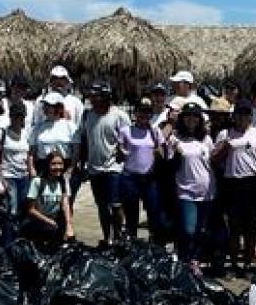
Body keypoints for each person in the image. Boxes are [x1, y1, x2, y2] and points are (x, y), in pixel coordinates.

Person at [162, 104, 217, 269]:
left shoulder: (206, 139)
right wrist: (170, 123)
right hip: (186, 191)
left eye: (195, 116)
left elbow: (212, 162)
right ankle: (184, 257)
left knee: (201, 230)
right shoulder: (175, 137)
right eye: (187, 116)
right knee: (188, 229)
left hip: (207, 191)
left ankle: (195, 260)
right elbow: (164, 150)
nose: (191, 119)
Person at [215, 102, 256, 265]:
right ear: (233, 116)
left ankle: (247, 262)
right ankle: (233, 262)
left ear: (251, 117)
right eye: (239, 114)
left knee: (251, 227)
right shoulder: (225, 133)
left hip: (253, 182)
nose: (242, 118)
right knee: (234, 226)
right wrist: (226, 147)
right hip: (231, 183)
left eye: (246, 114)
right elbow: (215, 160)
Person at [78, 83, 129, 243]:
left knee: (115, 204)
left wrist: (123, 152)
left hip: (114, 168)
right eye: (91, 96)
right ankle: (107, 238)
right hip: (94, 169)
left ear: (106, 97)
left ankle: (120, 236)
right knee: (101, 206)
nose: (92, 100)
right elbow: (84, 140)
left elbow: (129, 141)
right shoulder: (87, 115)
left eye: (96, 96)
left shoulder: (119, 115)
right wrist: (83, 164)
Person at [117, 98, 165, 241]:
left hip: (149, 178)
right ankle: (132, 242)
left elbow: (162, 153)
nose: (144, 114)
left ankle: (154, 243)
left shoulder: (155, 131)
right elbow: (119, 154)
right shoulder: (126, 131)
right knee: (131, 214)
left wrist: (159, 151)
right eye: (141, 111)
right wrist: (120, 152)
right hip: (130, 177)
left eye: (147, 112)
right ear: (135, 113)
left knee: (153, 212)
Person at [24, 151, 74, 245]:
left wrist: (69, 225)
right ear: (47, 165)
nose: (57, 167)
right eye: (53, 164)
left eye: (60, 164)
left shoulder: (63, 182)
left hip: (55, 223)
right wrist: (49, 221)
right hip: (38, 224)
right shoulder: (37, 182)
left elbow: (65, 205)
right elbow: (30, 209)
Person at [0, 102, 34, 211]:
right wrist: (1, 177)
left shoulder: (27, 133)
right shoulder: (1, 133)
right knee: (11, 208)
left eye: (21, 116)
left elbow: (29, 153)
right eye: (15, 115)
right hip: (8, 176)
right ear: (10, 116)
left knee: (23, 207)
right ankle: (9, 228)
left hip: (24, 176)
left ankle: (19, 228)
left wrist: (31, 170)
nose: (18, 118)